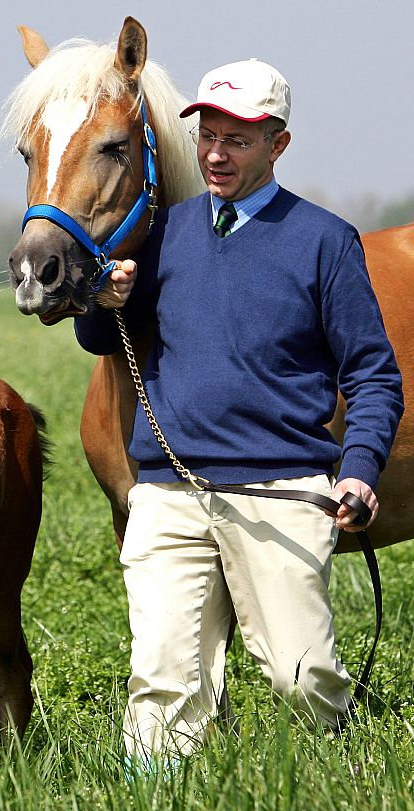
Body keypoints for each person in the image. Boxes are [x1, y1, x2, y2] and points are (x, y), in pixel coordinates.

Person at [75, 59, 404, 767]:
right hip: (169, 492)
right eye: (209, 136)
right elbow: (108, 341)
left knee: (301, 676)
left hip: (280, 491)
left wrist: (360, 468)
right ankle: (153, 808)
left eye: (239, 141)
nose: (217, 155)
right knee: (162, 680)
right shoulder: (160, 235)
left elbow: (374, 373)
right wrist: (105, 303)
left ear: (278, 146)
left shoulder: (324, 241)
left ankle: (336, 782)